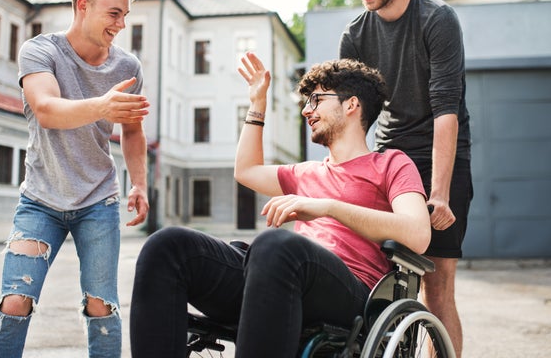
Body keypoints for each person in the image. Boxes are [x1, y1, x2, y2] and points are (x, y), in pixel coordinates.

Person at [130, 52, 431, 357]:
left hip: (351, 292)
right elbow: (245, 171)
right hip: (276, 276)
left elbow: (418, 233)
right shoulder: (305, 172)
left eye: (316, 100)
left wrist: (327, 206)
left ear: (351, 104)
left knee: (276, 245)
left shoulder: (391, 164)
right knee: (167, 246)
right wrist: (257, 104)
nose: (306, 111)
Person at [0, 0, 151, 358]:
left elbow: (132, 131)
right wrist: (102, 105)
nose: (121, 24)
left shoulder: (128, 68)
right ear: (82, 6)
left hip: (99, 202)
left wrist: (140, 183)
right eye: (113, 13)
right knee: (15, 300)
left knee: (101, 306)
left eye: (125, 14)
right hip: (40, 200)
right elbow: (46, 109)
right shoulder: (40, 51)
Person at [340, 0, 473, 357]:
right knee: (378, 282)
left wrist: (438, 193)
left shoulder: (437, 20)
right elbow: (352, 118)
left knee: (437, 289)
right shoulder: (355, 35)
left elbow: (445, 109)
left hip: (442, 158)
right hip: (390, 159)